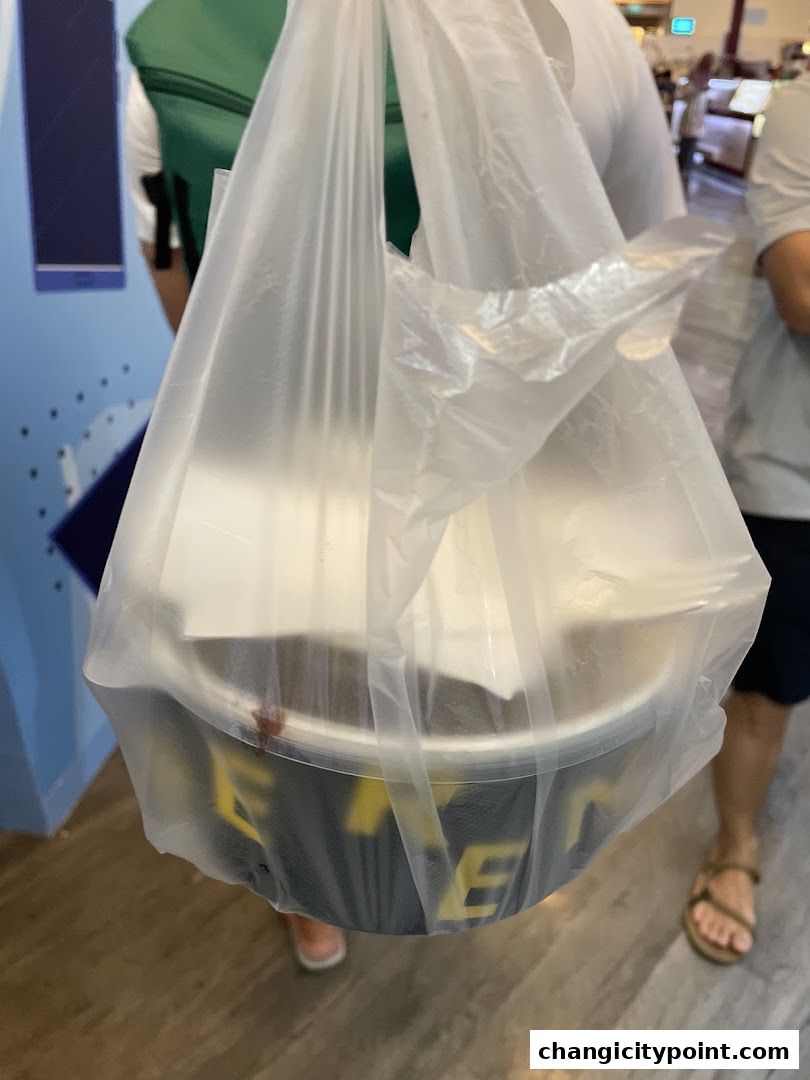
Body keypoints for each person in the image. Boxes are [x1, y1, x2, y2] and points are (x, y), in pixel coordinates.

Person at [124, 0, 684, 970]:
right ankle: (462, 855)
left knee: (284, 706)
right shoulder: (580, 35)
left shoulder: (176, 41)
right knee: (475, 707)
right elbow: (642, 289)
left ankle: (309, 892)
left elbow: (184, 287)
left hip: (277, 489)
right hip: (502, 491)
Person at [683, 70, 810, 965]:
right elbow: (802, 290)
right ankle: (736, 843)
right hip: (794, 471)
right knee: (765, 684)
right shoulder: (805, 110)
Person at [677, 52, 714, 189]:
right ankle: (681, 167)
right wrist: (697, 89)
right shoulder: (693, 75)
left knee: (692, 143)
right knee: (685, 143)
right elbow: (684, 93)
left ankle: (687, 167)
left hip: (698, 115)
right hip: (690, 112)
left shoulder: (707, 76)